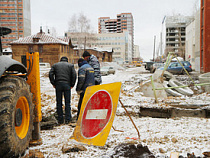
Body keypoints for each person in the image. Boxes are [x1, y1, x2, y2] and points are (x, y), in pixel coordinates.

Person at [49, 56, 76, 124]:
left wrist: (53, 83)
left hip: (58, 84)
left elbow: (50, 74)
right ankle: (68, 119)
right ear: (67, 60)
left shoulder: (55, 65)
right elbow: (74, 75)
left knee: (59, 102)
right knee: (67, 102)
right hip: (67, 85)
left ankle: (60, 119)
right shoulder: (70, 66)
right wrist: (72, 84)